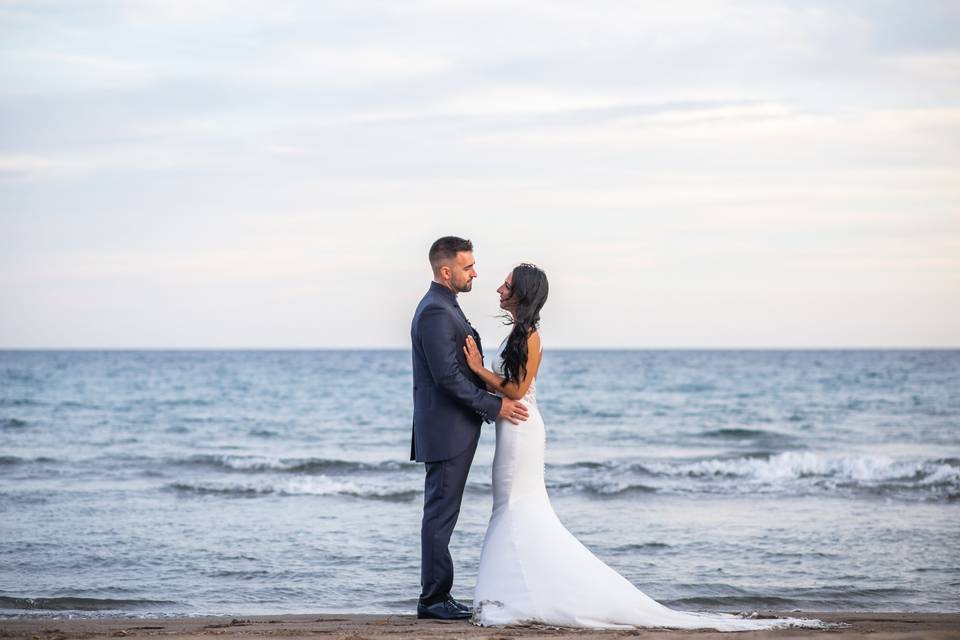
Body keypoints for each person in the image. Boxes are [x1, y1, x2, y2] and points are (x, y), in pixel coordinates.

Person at [463, 263, 824, 631]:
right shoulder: (517, 335)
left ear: (522, 292)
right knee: (510, 507)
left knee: (517, 507)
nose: (498, 290)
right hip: (512, 429)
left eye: (506, 285)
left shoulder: (532, 336)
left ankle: (513, 593)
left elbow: (517, 391)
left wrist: (478, 369)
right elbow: (506, 386)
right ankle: (517, 591)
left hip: (523, 430)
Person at [410, 236, 530, 621]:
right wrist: (496, 407)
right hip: (446, 431)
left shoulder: (445, 306)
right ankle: (433, 599)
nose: (475, 272)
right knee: (440, 515)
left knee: (443, 513)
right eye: (468, 267)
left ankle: (438, 594)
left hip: (453, 428)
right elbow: (447, 378)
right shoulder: (435, 312)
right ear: (446, 271)